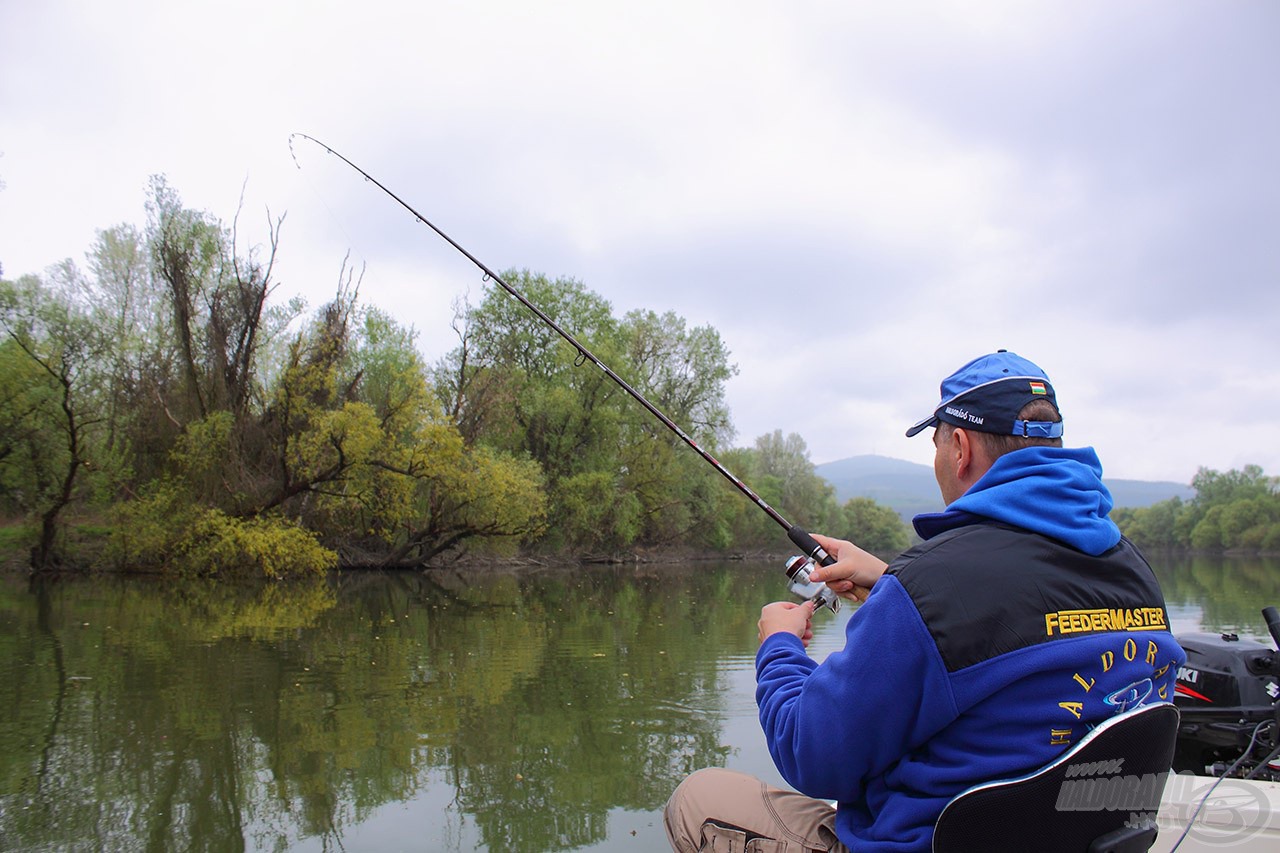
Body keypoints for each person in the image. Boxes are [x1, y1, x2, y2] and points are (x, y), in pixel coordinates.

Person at [664, 350, 1186, 852]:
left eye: (936, 444)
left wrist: (778, 646)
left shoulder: (933, 587)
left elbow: (812, 754)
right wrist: (893, 583)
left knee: (698, 800)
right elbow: (1018, 621)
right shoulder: (1133, 568)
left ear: (959, 447)